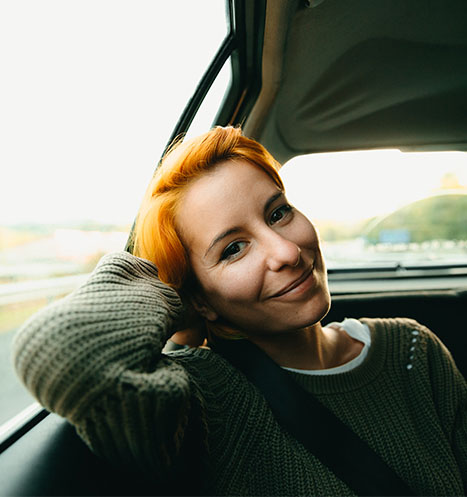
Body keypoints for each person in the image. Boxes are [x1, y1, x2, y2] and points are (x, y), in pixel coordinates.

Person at [13, 127, 466, 496]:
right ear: (200, 298)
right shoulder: (205, 396)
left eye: (277, 213)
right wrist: (168, 290)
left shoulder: (412, 349)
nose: (286, 251)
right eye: (233, 249)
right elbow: (63, 352)